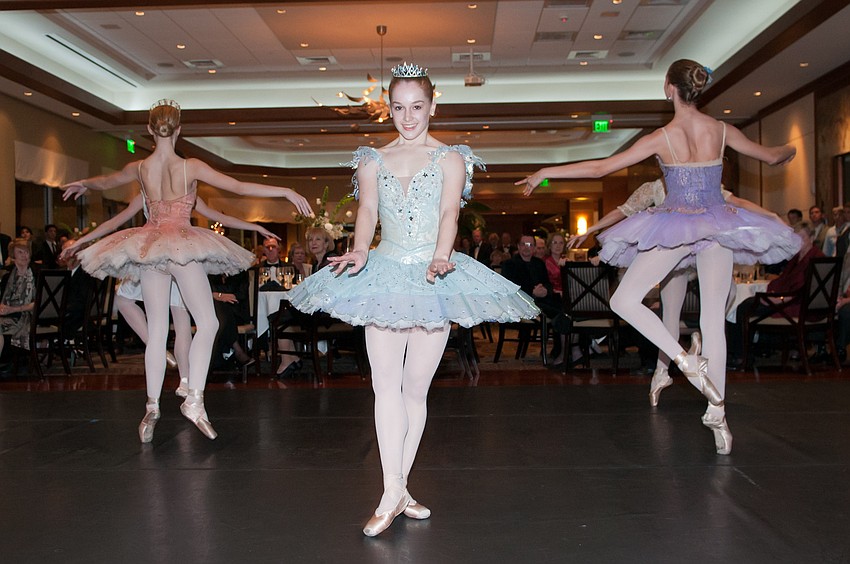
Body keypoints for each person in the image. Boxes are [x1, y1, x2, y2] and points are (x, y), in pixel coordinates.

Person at [287, 62, 538, 536]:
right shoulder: (371, 158)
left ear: (433, 105)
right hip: (382, 274)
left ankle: (399, 489)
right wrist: (360, 249)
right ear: (388, 108)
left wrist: (442, 257)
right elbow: (365, 211)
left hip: (432, 277)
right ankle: (390, 491)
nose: (408, 117)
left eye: (417, 107)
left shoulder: (451, 157)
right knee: (385, 386)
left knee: (415, 390)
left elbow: (449, 214)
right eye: (399, 108)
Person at [518, 59, 800, 455]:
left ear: (669, 88)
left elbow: (602, 167)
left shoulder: (663, 137)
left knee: (622, 300)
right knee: (712, 322)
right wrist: (789, 149)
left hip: (678, 225)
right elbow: (772, 157)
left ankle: (685, 362)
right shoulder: (722, 131)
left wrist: (546, 171)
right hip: (718, 225)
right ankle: (718, 415)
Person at [61, 98, 312, 443]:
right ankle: (194, 398)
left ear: (151, 130)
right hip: (180, 247)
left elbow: (108, 186)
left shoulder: (140, 168)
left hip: (150, 248)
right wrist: (285, 189)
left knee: (158, 329)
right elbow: (237, 187)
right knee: (207, 323)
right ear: (178, 130)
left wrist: (84, 191)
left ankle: (152, 406)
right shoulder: (190, 166)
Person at [569, 178, 787, 403]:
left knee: (705, 305)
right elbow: (624, 210)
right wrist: (593, 228)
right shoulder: (659, 187)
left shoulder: (698, 182)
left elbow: (736, 201)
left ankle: (670, 372)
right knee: (676, 314)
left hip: (695, 253)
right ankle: (669, 371)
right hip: (680, 257)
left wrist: (769, 215)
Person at [65, 194, 278, 397]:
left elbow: (115, 222)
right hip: (179, 253)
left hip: (153, 254)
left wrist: (79, 242)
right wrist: (255, 227)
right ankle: (184, 380)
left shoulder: (151, 190)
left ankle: (162, 353)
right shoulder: (183, 190)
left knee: (126, 300)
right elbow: (218, 216)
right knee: (179, 317)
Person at [728, 223, 823, 366]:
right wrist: (772, 294)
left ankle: (741, 356)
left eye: (802, 238)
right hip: (789, 300)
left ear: (812, 237)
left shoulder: (816, 258)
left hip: (798, 306)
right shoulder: (797, 258)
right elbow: (784, 279)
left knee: (743, 309)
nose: (798, 242)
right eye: (795, 238)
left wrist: (780, 299)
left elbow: (805, 289)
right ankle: (741, 353)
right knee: (744, 305)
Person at [0, 240, 36, 360]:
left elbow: (39, 303)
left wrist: (13, 309)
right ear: (13, 256)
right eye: (20, 252)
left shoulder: (36, 274)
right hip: (9, 315)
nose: (24, 255)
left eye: (26, 252)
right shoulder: (7, 276)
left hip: (30, 316)